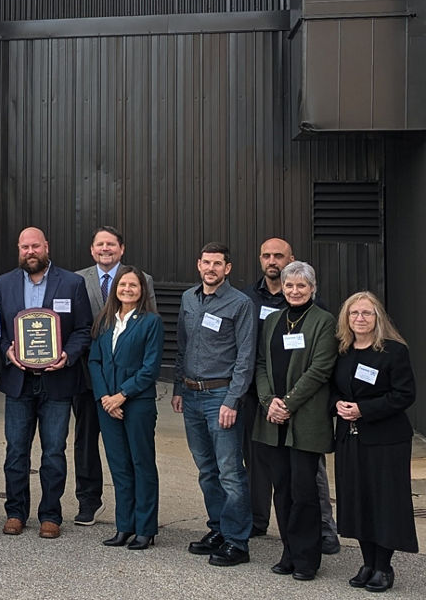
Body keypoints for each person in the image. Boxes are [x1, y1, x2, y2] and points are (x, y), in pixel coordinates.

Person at [0, 226, 93, 539]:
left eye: (35, 246)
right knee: (16, 452)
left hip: (58, 382)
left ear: (46, 247)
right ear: (18, 249)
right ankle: (15, 512)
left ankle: (51, 514)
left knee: (53, 452)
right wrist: (8, 351)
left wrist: (68, 355)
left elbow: (83, 328)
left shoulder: (73, 283)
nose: (30, 252)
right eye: (24, 247)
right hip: (18, 381)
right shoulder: (4, 283)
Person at [243, 236, 339, 552]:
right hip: (267, 408)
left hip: (304, 413)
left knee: (308, 482)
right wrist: (269, 400)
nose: (294, 290)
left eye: (278, 256)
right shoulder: (261, 308)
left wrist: (287, 403)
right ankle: (273, 535)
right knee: (274, 477)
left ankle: (318, 538)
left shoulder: (321, 316)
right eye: (266, 255)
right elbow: (259, 359)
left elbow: (321, 368)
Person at [172, 241, 256, 567]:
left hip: (221, 396)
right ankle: (218, 529)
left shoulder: (240, 304)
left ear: (228, 268)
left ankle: (238, 541)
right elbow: (182, 346)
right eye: (206, 263)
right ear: (199, 264)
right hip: (191, 395)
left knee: (230, 471)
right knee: (207, 470)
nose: (211, 269)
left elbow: (246, 358)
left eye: (217, 264)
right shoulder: (188, 299)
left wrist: (233, 400)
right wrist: (179, 387)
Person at [332, 292, 417, 592]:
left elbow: (404, 395)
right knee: (357, 501)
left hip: (386, 441)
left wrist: (363, 410)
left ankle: (383, 566)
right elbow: (332, 390)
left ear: (377, 317)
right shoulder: (342, 351)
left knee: (384, 503)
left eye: (367, 313)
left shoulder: (393, 351)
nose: (360, 319)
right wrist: (338, 406)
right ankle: (367, 563)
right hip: (350, 439)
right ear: (347, 318)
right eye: (354, 313)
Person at [72, 225, 154, 526]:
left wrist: (124, 391)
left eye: (111, 244)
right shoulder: (78, 279)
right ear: (92, 249)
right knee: (86, 440)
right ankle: (88, 501)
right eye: (99, 244)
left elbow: (148, 329)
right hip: (89, 376)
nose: (105, 249)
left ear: (121, 248)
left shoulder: (142, 280)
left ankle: (137, 515)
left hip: (128, 383)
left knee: (130, 450)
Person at [88, 264, 163, 549]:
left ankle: (145, 528)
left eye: (133, 285)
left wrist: (122, 395)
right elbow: (94, 361)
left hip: (137, 404)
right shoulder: (105, 320)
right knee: (119, 466)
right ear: (115, 289)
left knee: (141, 464)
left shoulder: (150, 322)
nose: (127, 289)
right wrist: (106, 397)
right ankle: (124, 526)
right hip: (107, 405)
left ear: (142, 290)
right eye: (123, 285)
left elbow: (150, 367)